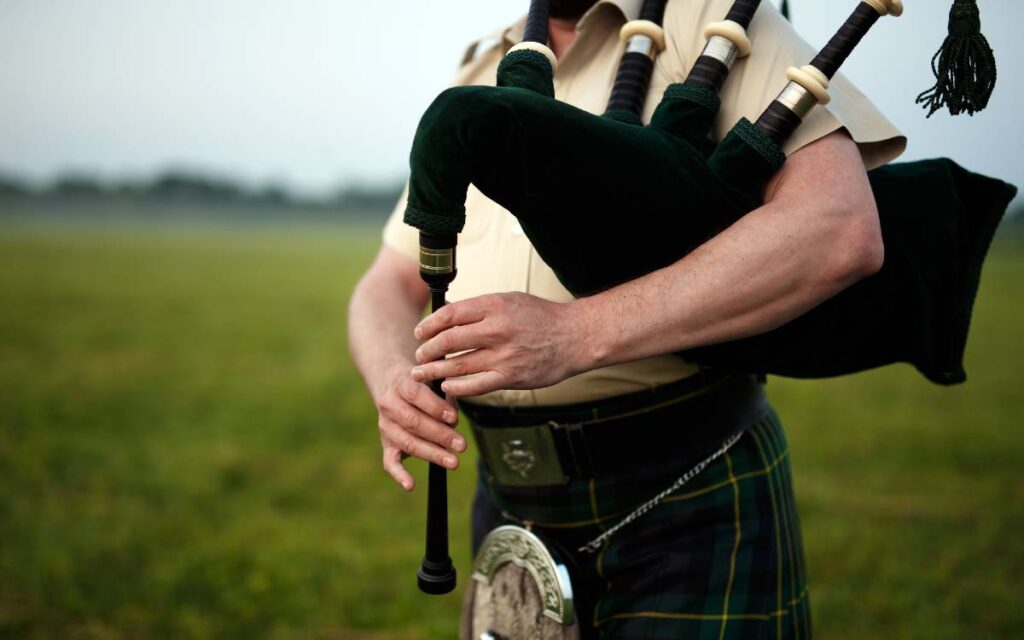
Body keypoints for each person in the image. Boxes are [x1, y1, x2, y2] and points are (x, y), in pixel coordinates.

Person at [348, 0, 905, 637]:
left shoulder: (714, 24)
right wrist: (391, 373)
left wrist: (578, 333)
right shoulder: (479, 71)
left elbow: (837, 230)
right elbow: (389, 280)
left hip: (688, 492)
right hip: (507, 498)